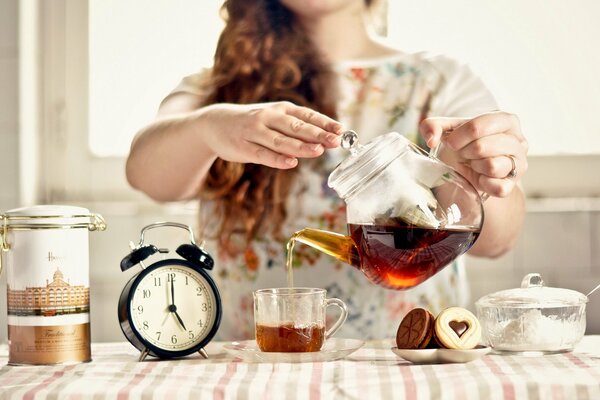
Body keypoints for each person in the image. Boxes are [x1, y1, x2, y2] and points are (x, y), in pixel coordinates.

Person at [126, 0, 528, 340]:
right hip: (251, 363)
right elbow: (147, 176)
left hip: (405, 361)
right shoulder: (216, 86)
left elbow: (495, 241)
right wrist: (208, 127)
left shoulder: (440, 82)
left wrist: (480, 171)